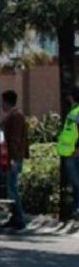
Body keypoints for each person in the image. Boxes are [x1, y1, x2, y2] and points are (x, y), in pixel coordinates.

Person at [0, 90, 29, 230]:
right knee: (10, 188)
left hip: (13, 158)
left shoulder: (16, 116)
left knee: (12, 189)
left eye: (3, 102)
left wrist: (12, 158)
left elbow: (15, 139)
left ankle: (19, 218)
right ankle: (14, 217)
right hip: (11, 157)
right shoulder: (12, 116)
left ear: (6, 101)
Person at [57, 86, 79, 220]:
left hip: (74, 153)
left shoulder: (76, 111)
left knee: (77, 183)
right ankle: (76, 209)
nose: (66, 97)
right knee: (75, 183)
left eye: (68, 95)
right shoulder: (73, 110)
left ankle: (77, 208)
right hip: (70, 153)